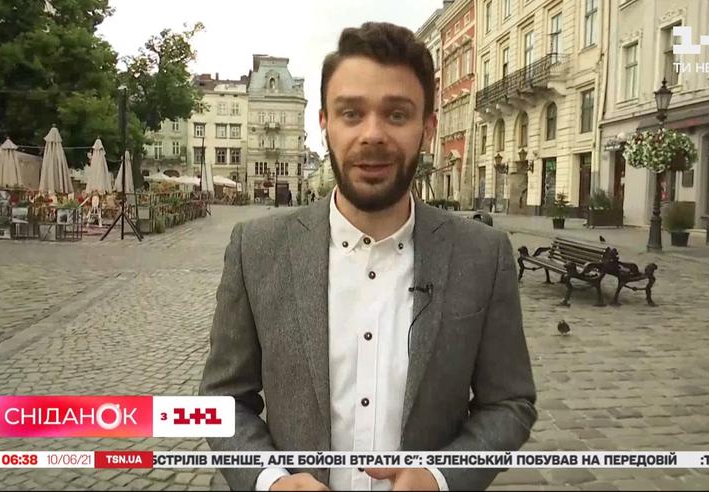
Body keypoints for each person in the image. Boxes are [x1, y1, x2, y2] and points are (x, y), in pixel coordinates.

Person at [200, 21, 536, 492]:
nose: (373, 134)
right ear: (325, 125)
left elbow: (509, 404)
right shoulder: (256, 250)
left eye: (397, 114)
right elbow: (222, 401)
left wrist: (441, 478)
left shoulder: (483, 254)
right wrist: (270, 481)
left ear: (428, 129)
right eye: (351, 113)